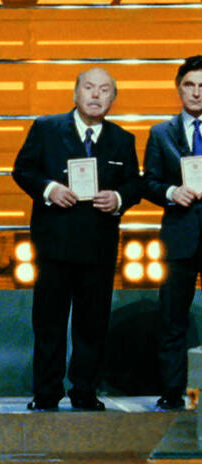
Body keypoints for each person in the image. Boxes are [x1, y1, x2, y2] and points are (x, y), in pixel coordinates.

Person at [12, 68, 141, 412]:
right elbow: (23, 170)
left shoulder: (122, 139)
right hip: (54, 243)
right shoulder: (46, 128)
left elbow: (134, 184)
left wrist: (118, 198)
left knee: (92, 324)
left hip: (98, 246)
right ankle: (46, 392)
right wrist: (49, 189)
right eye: (89, 88)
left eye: (104, 90)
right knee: (49, 323)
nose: (96, 95)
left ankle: (84, 391)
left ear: (113, 99)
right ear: (75, 93)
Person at [143, 55, 202, 411]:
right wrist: (170, 192)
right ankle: (172, 391)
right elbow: (148, 182)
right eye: (189, 85)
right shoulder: (161, 133)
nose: (196, 92)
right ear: (178, 89)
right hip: (180, 235)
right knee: (172, 318)